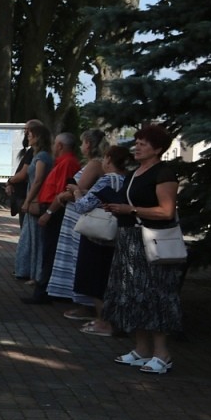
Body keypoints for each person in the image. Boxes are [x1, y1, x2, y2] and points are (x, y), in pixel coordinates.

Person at [103, 125, 184, 374]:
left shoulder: (163, 173)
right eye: (136, 142)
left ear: (158, 149)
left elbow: (166, 211)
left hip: (152, 242)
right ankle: (141, 350)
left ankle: (163, 354)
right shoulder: (135, 173)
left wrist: (132, 211)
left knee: (154, 295)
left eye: (143, 143)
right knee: (132, 295)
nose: (136, 146)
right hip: (130, 241)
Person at [70, 145, 130, 336]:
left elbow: (83, 206)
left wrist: (77, 192)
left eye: (105, 158)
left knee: (94, 279)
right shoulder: (127, 179)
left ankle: (104, 322)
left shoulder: (107, 179)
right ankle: (109, 320)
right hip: (117, 236)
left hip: (97, 237)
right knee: (109, 280)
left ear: (109, 159)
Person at [46, 129, 108, 313]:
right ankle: (80, 300)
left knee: (78, 259)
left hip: (79, 217)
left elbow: (78, 190)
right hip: (75, 216)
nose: (81, 147)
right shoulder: (92, 163)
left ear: (88, 144)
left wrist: (65, 194)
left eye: (83, 143)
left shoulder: (95, 164)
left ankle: (86, 303)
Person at [23, 132, 81, 304]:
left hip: (55, 212)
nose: (54, 146)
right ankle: (46, 289)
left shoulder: (68, 163)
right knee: (48, 250)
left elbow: (62, 192)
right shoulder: (62, 162)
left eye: (56, 143)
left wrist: (49, 213)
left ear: (60, 146)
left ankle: (44, 291)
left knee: (50, 251)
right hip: (49, 208)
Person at [16, 121, 52, 284]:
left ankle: (37, 275)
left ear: (38, 137)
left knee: (37, 240)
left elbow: (38, 180)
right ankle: (30, 272)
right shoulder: (38, 155)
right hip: (33, 200)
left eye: (30, 135)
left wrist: (27, 200)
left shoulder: (42, 156)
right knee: (29, 238)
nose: (28, 137)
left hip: (37, 201)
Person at [8, 123, 38, 277]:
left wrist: (11, 181)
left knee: (28, 235)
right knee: (25, 233)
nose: (26, 135)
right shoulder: (30, 152)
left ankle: (27, 270)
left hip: (28, 198)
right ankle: (26, 269)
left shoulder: (37, 154)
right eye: (25, 131)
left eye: (29, 132)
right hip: (23, 197)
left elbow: (26, 175)